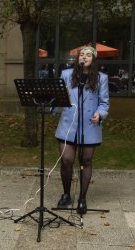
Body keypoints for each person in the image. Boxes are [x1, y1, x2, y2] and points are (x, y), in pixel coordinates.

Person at [55, 46, 110, 214]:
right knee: (66, 160)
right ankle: (66, 194)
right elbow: (59, 97)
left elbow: (104, 103)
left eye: (88, 55)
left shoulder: (101, 78)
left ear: (93, 59)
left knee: (86, 161)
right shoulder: (66, 74)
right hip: (68, 125)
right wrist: (50, 106)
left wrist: (99, 114)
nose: (84, 57)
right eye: (82, 55)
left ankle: (82, 198)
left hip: (89, 126)